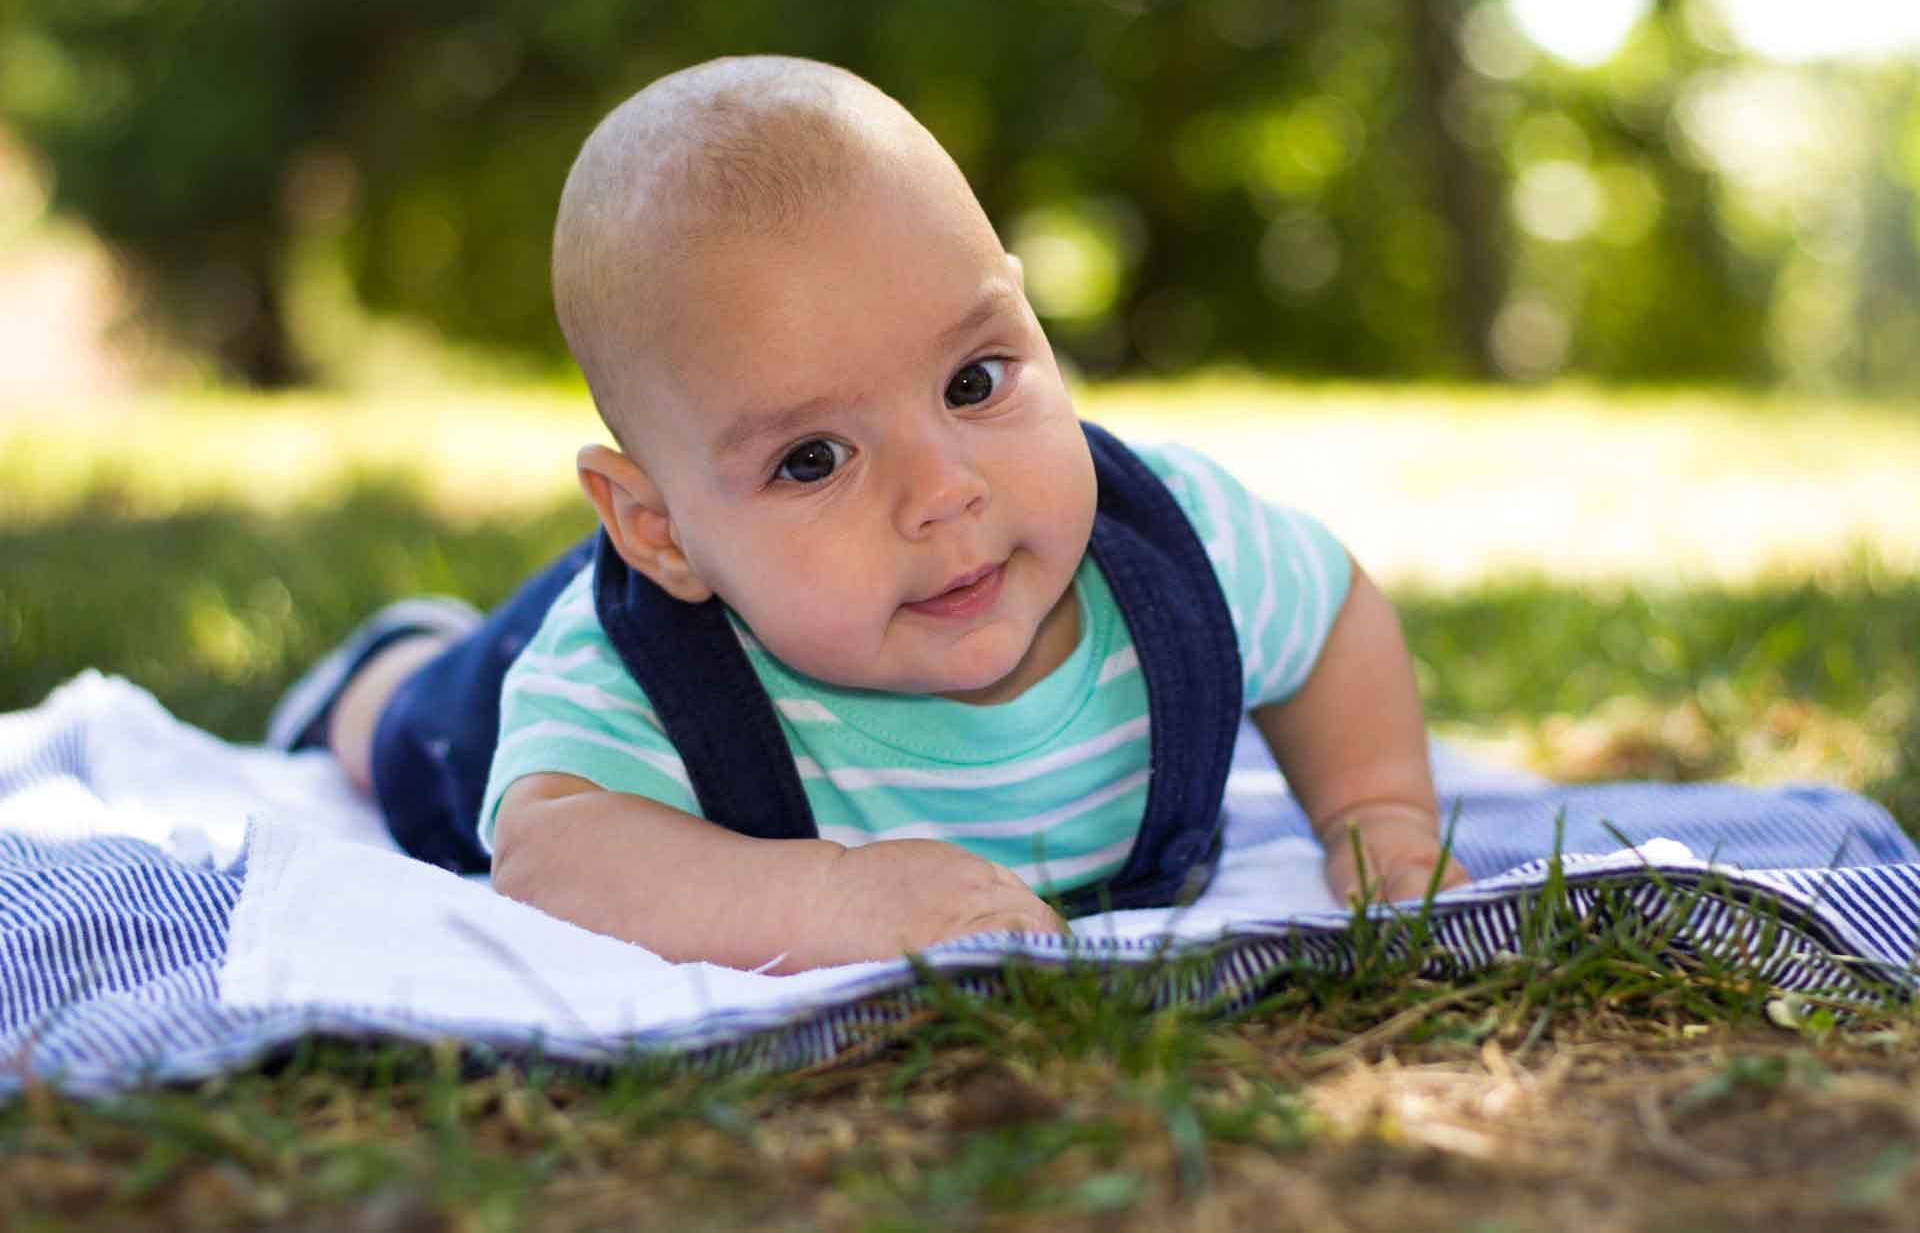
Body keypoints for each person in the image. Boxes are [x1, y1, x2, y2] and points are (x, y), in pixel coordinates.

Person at [267, 55, 1471, 974]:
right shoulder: (629, 679)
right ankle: (375, 672)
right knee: (414, 732)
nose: (942, 489)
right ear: (662, 528)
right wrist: (835, 902)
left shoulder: (1180, 552)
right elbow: (551, 860)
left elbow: (1330, 614)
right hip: (541, 700)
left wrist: (1377, 814)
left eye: (973, 382)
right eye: (812, 458)